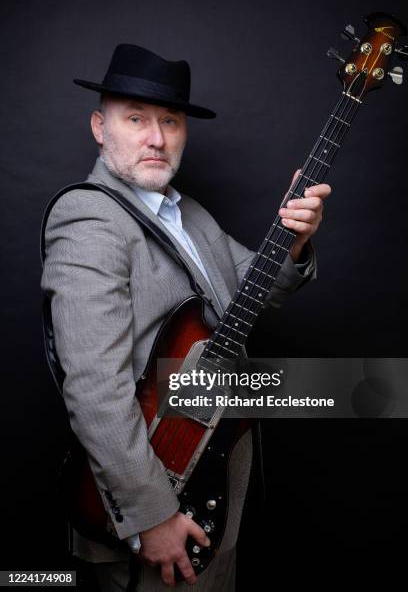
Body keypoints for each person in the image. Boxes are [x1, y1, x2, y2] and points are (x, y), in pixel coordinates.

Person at [40, 44, 331, 591]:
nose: (157, 138)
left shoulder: (185, 211)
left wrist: (295, 242)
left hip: (217, 474)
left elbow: (254, 290)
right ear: (100, 128)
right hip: (153, 501)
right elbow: (94, 388)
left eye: (170, 121)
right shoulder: (89, 218)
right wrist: (150, 517)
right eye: (136, 119)